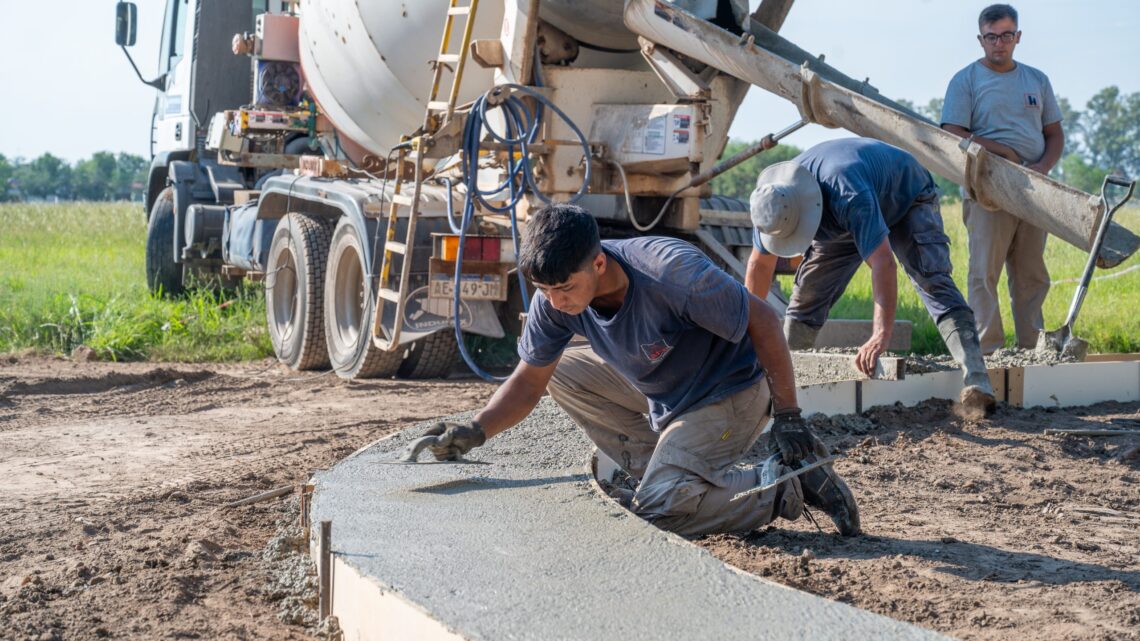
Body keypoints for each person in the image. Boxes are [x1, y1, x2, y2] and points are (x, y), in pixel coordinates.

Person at [421, 203, 860, 538]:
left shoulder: (671, 273)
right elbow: (528, 380)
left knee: (660, 509)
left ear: (598, 263)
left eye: (564, 288)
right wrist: (475, 431)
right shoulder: (554, 300)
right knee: (561, 371)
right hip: (665, 394)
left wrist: (788, 415)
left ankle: (790, 485)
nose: (555, 301)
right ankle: (661, 471)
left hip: (731, 391)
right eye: (544, 290)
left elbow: (763, 321)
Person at [746, 138, 996, 413]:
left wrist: (880, 334)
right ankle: (779, 386)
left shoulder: (846, 194)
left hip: (904, 195)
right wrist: (747, 331)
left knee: (931, 280)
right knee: (808, 296)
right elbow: (759, 266)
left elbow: (883, 264)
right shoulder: (771, 206)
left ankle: (978, 380)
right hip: (839, 216)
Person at [941, 4, 1064, 353]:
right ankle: (988, 352)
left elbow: (1054, 133)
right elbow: (952, 131)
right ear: (981, 40)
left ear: (1018, 37)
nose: (999, 43)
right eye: (992, 37)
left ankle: (1032, 350)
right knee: (984, 273)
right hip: (987, 188)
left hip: (1032, 189)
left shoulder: (1036, 80)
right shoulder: (966, 80)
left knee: (1031, 275)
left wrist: (1042, 168)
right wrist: (1004, 153)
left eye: (1006, 36)